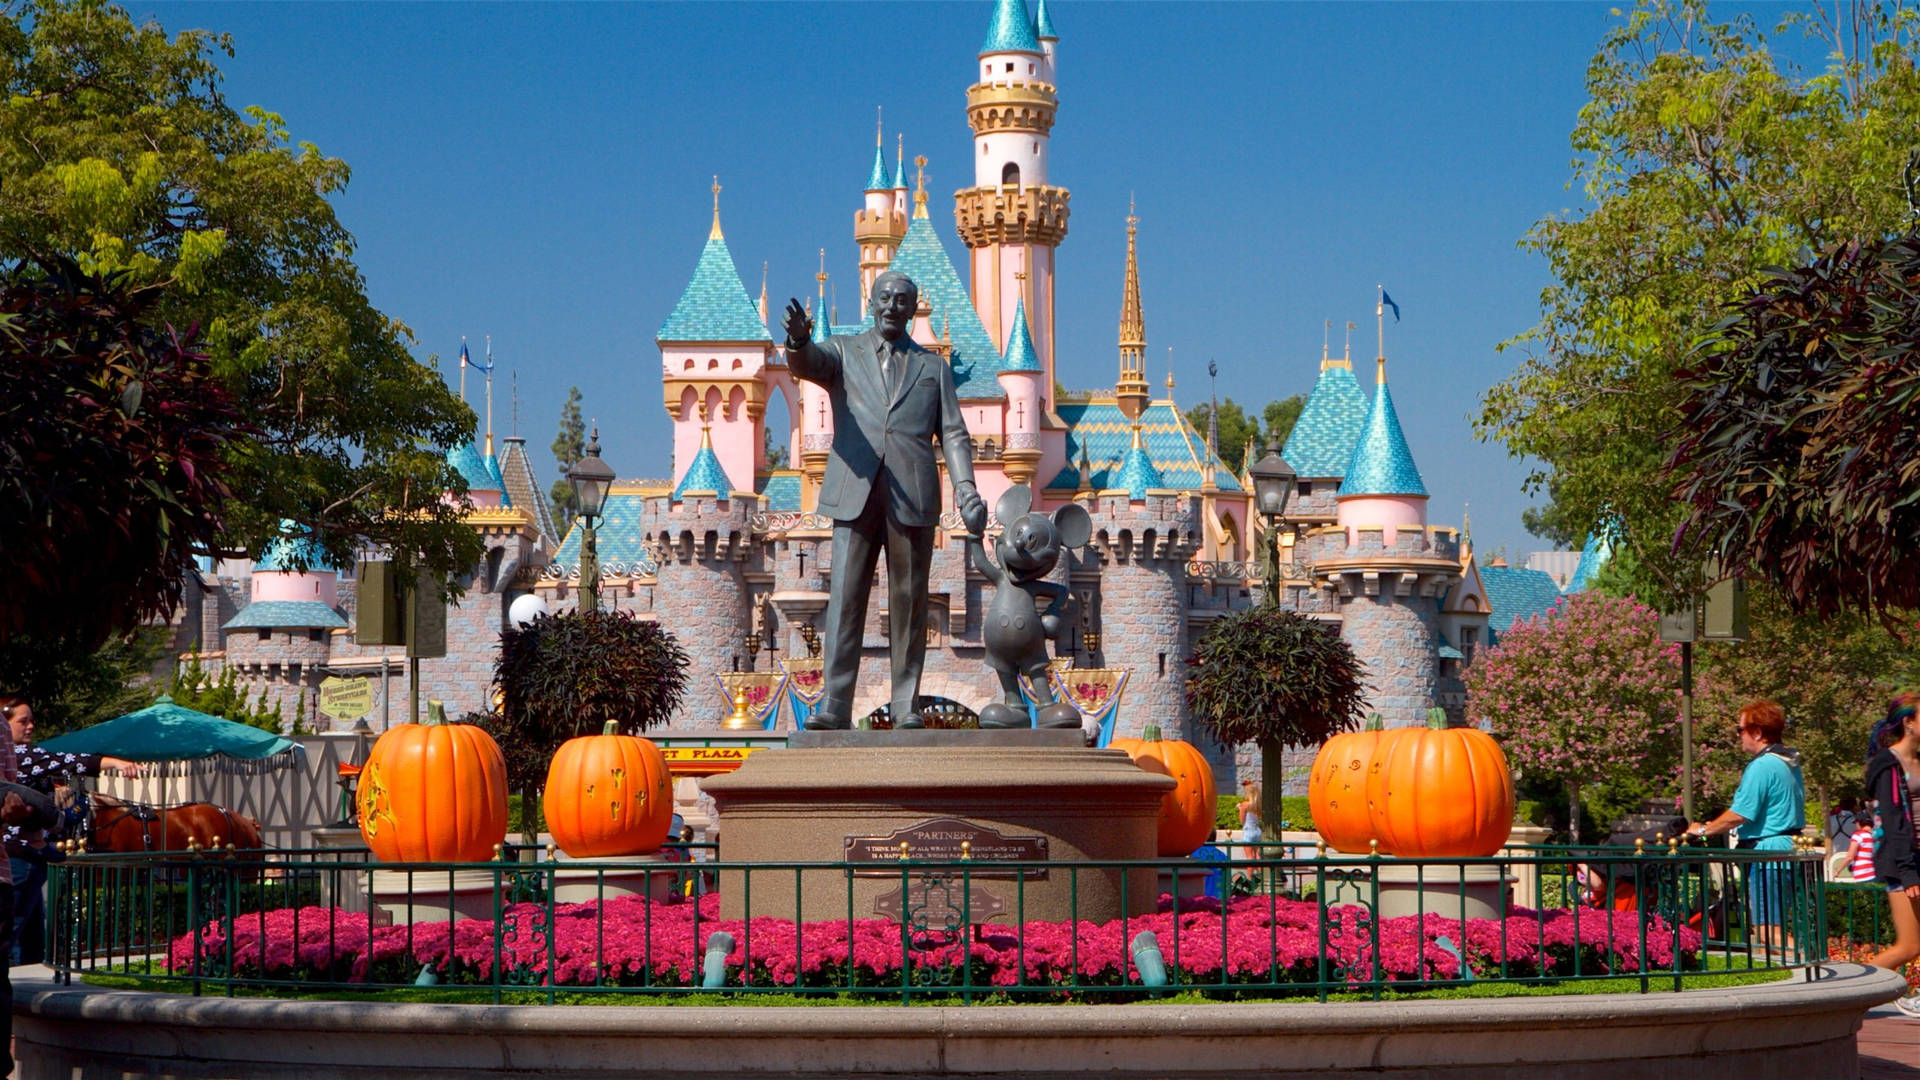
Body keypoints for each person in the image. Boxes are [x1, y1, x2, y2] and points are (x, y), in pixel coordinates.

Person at [782, 272, 988, 729]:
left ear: (914, 309)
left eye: (903, 300)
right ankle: (835, 705)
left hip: (912, 494)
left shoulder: (933, 368)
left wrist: (968, 487)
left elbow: (952, 431)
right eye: (886, 297)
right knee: (845, 597)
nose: (893, 305)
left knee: (910, 601)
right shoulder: (843, 351)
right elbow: (808, 364)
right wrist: (797, 341)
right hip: (853, 486)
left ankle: (904, 705)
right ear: (871, 302)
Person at [0, 695, 142, 964]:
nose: (30, 726)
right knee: (14, 933)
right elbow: (69, 761)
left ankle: (25, 998)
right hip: (20, 856)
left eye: (32, 721)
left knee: (30, 936)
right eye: (23, 721)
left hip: (24, 855)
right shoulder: (25, 755)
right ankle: (61, 820)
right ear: (5, 725)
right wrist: (117, 763)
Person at [1686, 701, 1806, 955]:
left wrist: (1702, 830)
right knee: (1766, 933)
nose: (1738, 736)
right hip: (1783, 850)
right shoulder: (1787, 762)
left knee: (1767, 932)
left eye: (1740, 730)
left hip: (1768, 853)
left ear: (1758, 733)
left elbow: (1740, 814)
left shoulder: (1762, 766)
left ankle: (1817, 971)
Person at [1862, 692, 1920, 1019]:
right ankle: (1846, 992)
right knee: (1910, 946)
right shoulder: (1888, 764)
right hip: (1903, 861)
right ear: (1908, 723)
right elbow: (1893, 818)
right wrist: (1908, 871)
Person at [1846, 818, 1877, 883]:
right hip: (1872, 871)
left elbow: (1849, 857)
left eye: (1856, 824)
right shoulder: (1873, 835)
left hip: (1860, 873)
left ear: (1860, 823)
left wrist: (1837, 870)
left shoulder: (1857, 835)